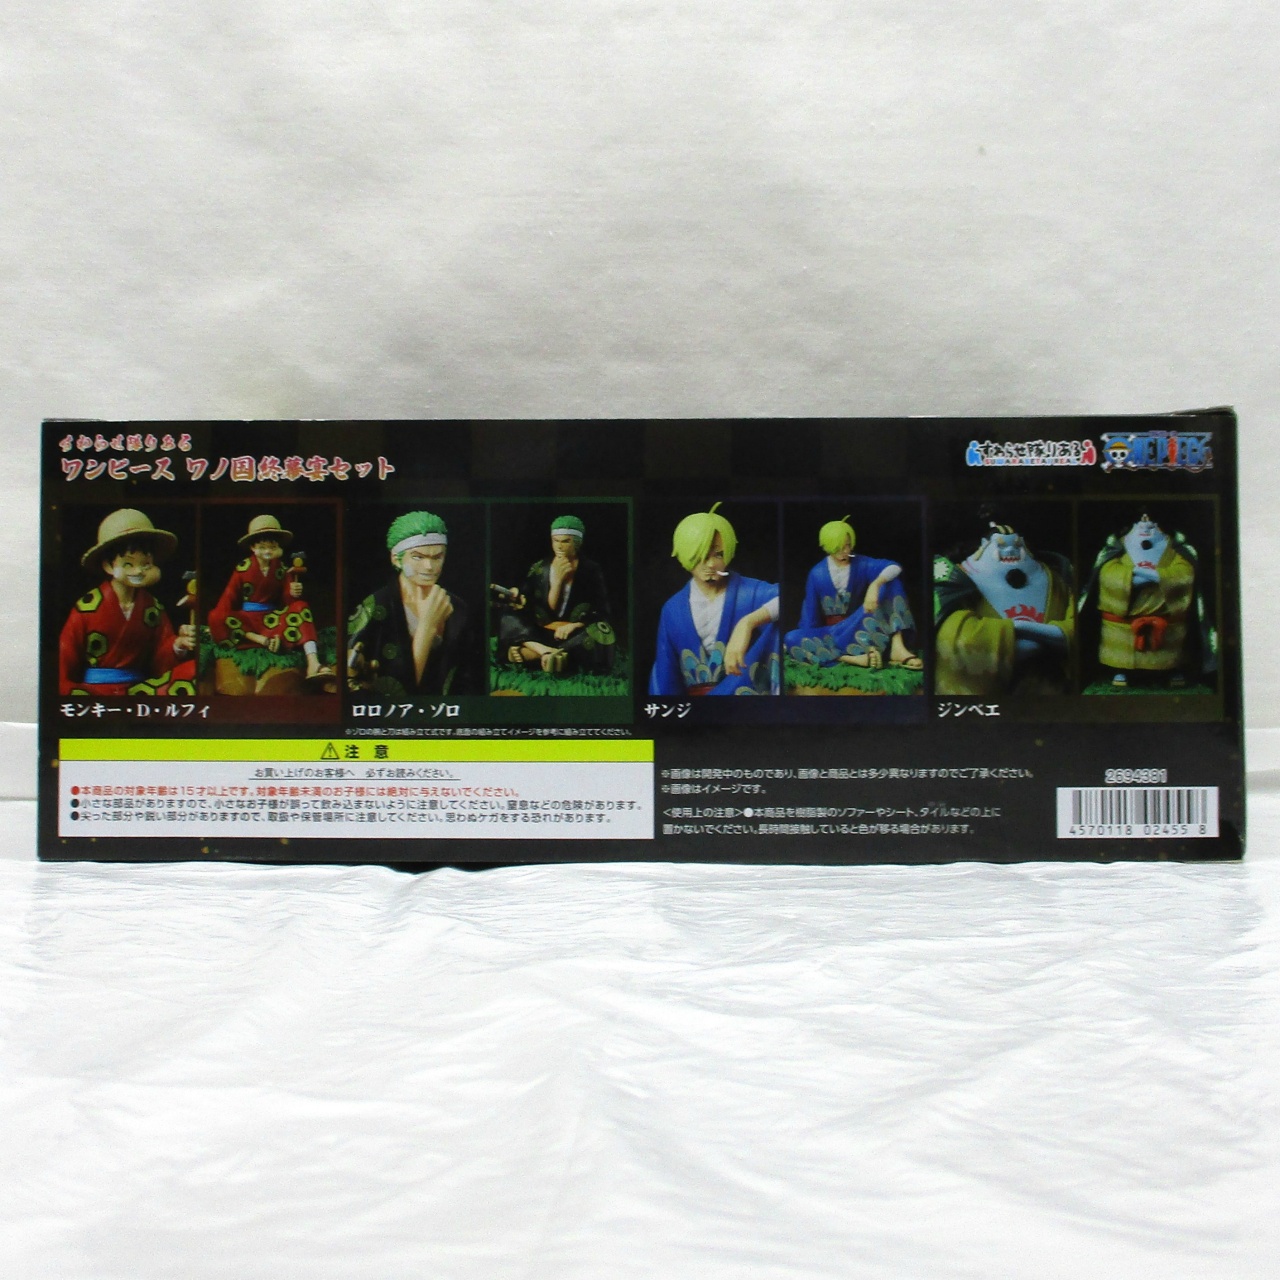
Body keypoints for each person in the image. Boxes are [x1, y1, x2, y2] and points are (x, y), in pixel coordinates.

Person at [59, 508, 196, 696]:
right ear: (109, 566)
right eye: (128, 564)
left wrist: (178, 645)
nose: (138, 571)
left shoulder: (153, 608)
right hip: (95, 692)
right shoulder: (86, 608)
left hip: (139, 690)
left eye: (146, 564)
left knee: (193, 671)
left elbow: (160, 661)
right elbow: (65, 658)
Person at [649, 503, 779, 696]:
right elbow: (665, 676)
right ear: (686, 553)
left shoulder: (750, 592)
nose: (711, 564)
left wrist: (747, 622)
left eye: (719, 554)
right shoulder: (672, 610)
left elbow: (785, 598)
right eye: (701, 555)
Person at [934, 520, 1074, 696]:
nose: (1010, 550)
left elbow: (1075, 623)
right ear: (984, 546)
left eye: (1017, 545)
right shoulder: (958, 579)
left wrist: (1022, 627)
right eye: (1001, 546)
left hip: (1049, 679)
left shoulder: (1054, 577)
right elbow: (956, 636)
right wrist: (1022, 633)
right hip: (990, 687)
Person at [347, 511, 478, 697]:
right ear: (396, 559)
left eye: (437, 557)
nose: (429, 567)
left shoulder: (458, 608)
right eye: (418, 557)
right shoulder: (374, 606)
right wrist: (427, 626)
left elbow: (468, 676)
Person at [1079, 514, 1214, 689]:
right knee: (1122, 654)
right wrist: (1145, 578)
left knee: (1171, 654)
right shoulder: (1116, 548)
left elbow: (1184, 574)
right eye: (1139, 524)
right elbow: (1108, 574)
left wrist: (1147, 573)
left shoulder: (1176, 549)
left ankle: (1172, 670)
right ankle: (1121, 670)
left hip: (1167, 623)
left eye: (1152, 525)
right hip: (1124, 627)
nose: (1145, 525)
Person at [208, 514, 333, 684]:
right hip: (247, 622)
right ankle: (261, 641)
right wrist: (219, 619)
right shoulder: (242, 569)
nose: (268, 551)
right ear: (253, 547)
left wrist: (293, 592)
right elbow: (227, 598)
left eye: (272, 547)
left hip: (271, 621)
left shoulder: (281, 569)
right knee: (216, 616)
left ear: (278, 547)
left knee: (300, 607)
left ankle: (313, 663)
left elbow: (288, 602)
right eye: (262, 547)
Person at [785, 516, 921, 671]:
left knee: (891, 583)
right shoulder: (816, 574)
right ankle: (853, 659)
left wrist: (875, 584)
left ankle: (897, 647)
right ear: (828, 547)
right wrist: (803, 638)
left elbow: (894, 567)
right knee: (791, 638)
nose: (846, 551)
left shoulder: (861, 563)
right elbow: (810, 615)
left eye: (848, 545)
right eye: (840, 548)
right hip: (833, 635)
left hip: (860, 627)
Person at [494, 515, 616, 676]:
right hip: (538, 631)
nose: (559, 546)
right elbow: (527, 598)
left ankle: (531, 654)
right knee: (508, 616)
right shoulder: (540, 568)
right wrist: (519, 595)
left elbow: (602, 610)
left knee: (602, 632)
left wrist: (574, 625)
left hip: (571, 635)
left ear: (577, 543)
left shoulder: (591, 570)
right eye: (555, 540)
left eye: (565, 541)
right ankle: (547, 652)